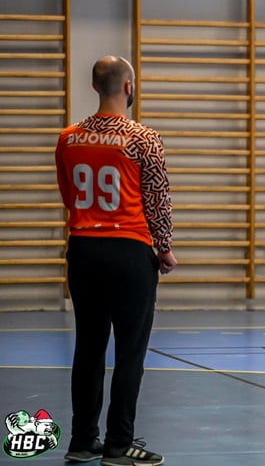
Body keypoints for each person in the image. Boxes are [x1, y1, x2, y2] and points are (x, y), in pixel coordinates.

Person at [55, 55, 176, 465]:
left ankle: (82, 440)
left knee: (88, 346)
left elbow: (68, 193)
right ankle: (119, 444)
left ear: (94, 86)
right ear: (128, 87)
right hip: (129, 251)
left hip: (84, 249)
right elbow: (157, 198)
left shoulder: (68, 138)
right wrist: (164, 247)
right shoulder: (143, 138)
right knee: (129, 351)